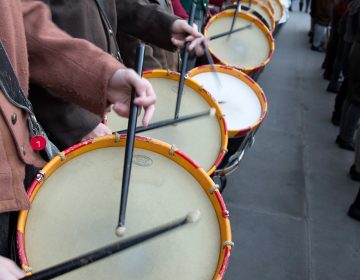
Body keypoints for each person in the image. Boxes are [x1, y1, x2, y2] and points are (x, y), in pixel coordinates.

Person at [31, 0, 206, 151]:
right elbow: (29, 46)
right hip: (61, 122)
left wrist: (166, 24)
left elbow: (118, 4)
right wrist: (79, 124)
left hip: (102, 99)